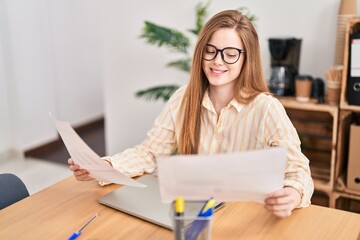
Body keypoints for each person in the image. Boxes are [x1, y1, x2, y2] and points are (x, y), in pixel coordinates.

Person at [68, 9, 314, 218]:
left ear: (246, 59)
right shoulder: (183, 98)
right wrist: (103, 166)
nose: (218, 61)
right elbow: (150, 153)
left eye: (230, 54)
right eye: (211, 50)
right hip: (195, 214)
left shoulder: (266, 108)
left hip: (243, 218)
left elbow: (298, 170)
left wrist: (292, 193)